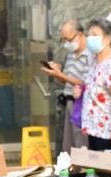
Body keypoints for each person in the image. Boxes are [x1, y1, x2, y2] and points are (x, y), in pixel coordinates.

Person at [73, 18, 111, 151]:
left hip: (108, 133)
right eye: (89, 34)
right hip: (96, 129)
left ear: (107, 39)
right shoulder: (97, 62)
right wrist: (80, 92)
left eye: (95, 35)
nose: (89, 38)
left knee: (107, 171)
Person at [42, 19, 92, 154]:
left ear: (80, 34)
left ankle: (82, 171)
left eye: (68, 39)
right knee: (69, 144)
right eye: (63, 40)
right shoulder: (70, 54)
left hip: (82, 104)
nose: (67, 43)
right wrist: (56, 73)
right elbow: (68, 81)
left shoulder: (90, 54)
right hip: (69, 101)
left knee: (81, 144)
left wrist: (61, 75)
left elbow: (84, 83)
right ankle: (73, 171)